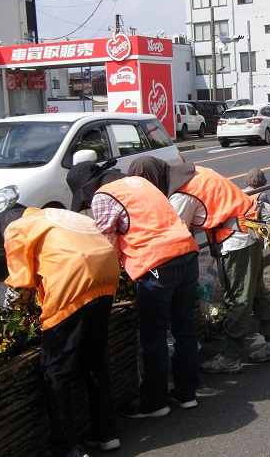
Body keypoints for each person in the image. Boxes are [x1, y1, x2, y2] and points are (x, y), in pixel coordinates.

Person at [127, 157, 270, 374]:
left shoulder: (182, 194)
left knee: (237, 298)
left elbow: (175, 234)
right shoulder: (194, 172)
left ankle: (231, 357)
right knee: (256, 290)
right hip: (249, 232)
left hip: (236, 239)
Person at [1, 207, 122, 457]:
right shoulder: (57, 215)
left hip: (72, 281)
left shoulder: (17, 228)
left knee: (54, 370)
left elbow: (19, 288)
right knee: (95, 359)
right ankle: (106, 432)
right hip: (107, 274)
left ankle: (65, 446)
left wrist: (5, 319)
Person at [91, 175, 201, 418]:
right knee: (185, 328)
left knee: (154, 336)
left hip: (156, 266)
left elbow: (108, 245)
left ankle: (155, 401)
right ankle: (186, 393)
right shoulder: (143, 185)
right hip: (187, 253)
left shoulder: (103, 196)